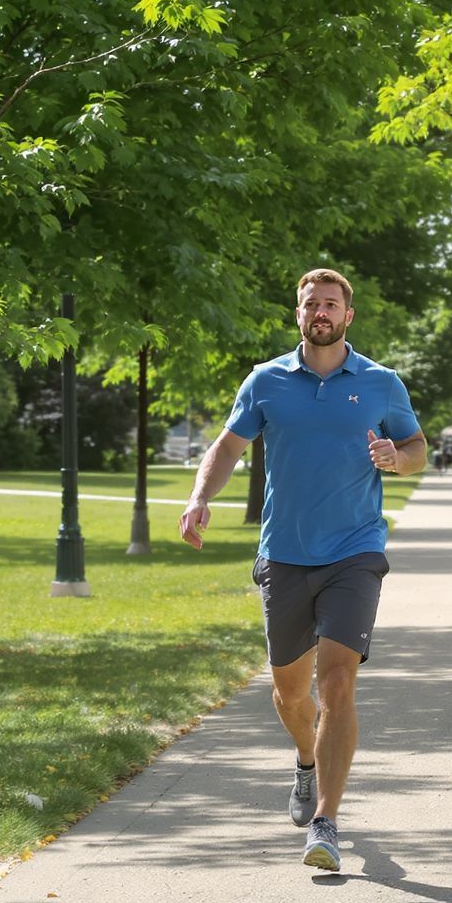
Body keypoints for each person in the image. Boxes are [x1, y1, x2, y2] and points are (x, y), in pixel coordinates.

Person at [179, 267, 426, 872]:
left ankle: (327, 823)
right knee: (291, 693)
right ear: (298, 315)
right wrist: (199, 495)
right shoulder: (266, 381)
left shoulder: (380, 382)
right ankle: (306, 762)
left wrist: (397, 459)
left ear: (349, 315)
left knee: (337, 683)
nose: (321, 311)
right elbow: (227, 448)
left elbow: (417, 452)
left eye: (331, 303)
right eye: (311, 303)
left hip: (356, 551)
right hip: (285, 554)